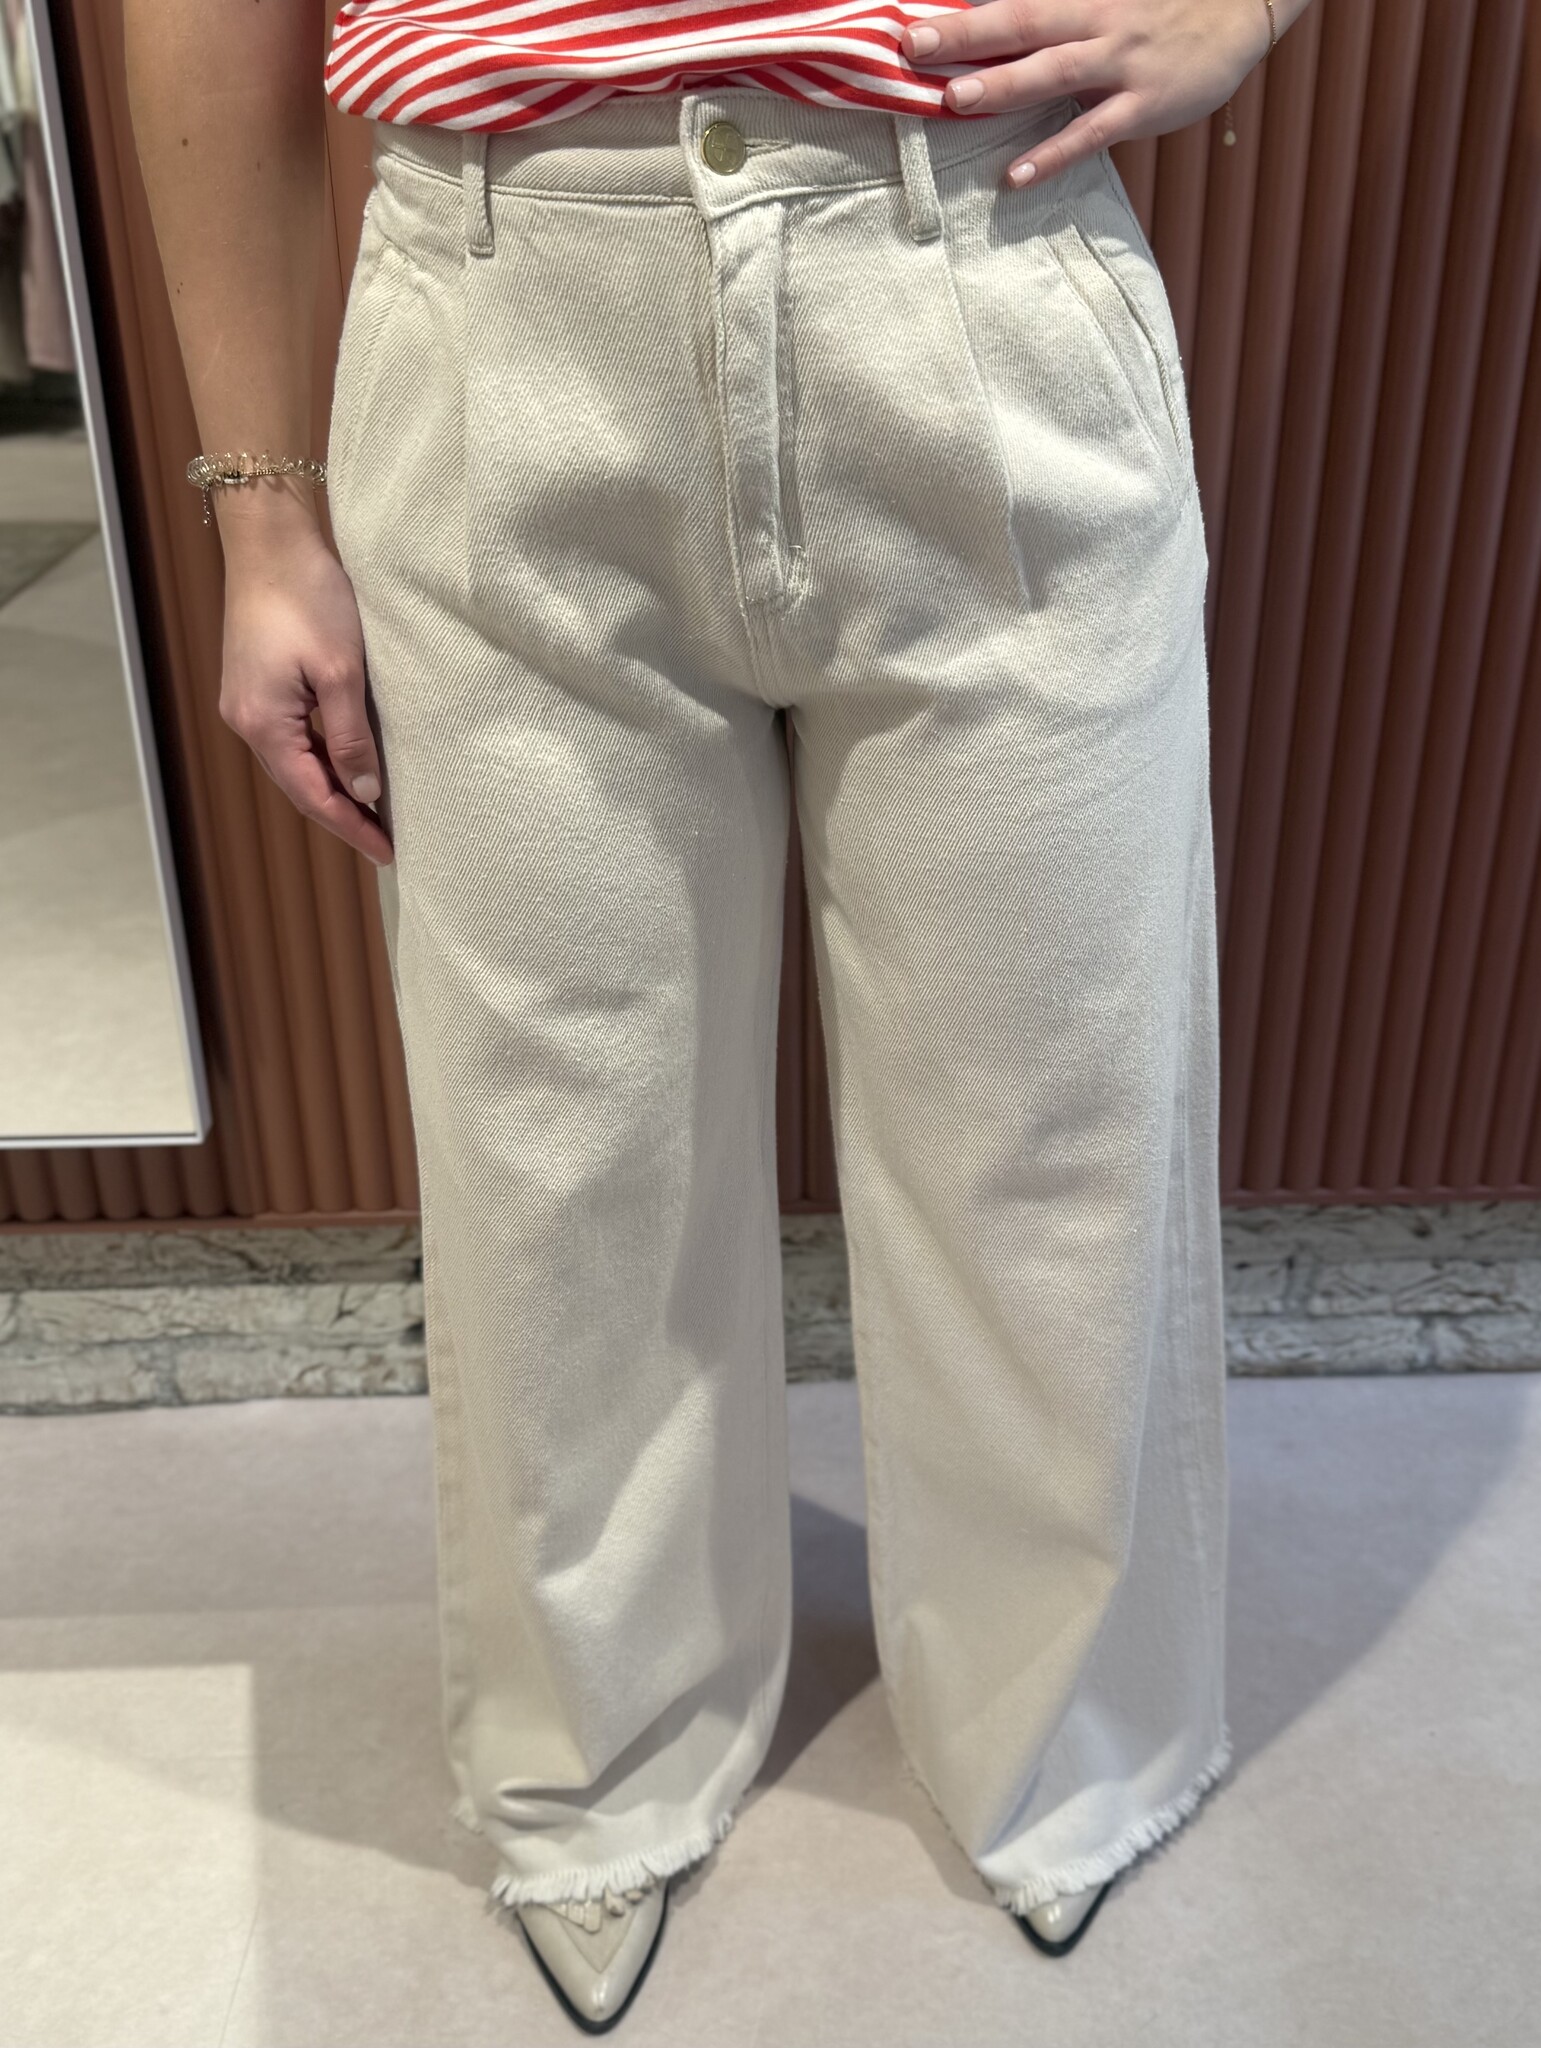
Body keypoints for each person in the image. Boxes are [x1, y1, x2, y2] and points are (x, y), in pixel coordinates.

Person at [128, 0, 1309, 2029]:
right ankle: (599, 1753)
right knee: (559, 1160)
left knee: (1052, 1124)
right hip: (502, 298)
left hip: (976, 257)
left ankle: (1062, 1733)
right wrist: (259, 503)